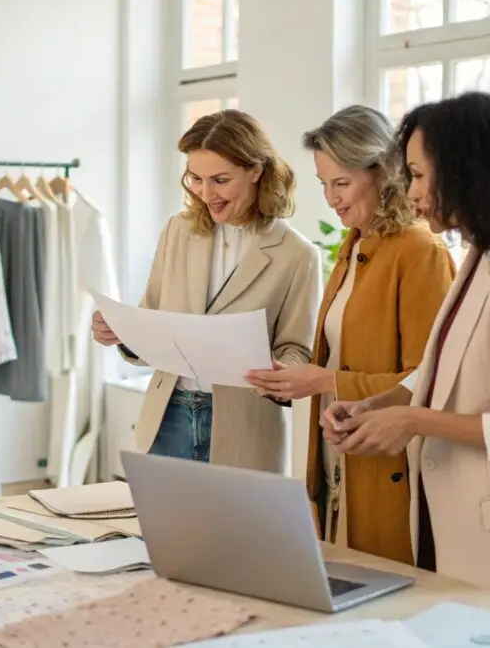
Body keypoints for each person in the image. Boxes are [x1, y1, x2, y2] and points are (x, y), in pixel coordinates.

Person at [322, 92, 490, 610]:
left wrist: (416, 421)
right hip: (455, 537)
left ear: (467, 171)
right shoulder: (482, 255)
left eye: (419, 175)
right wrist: (374, 407)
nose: (409, 189)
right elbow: (438, 370)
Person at [245, 105, 454, 564]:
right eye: (323, 184)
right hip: (337, 460)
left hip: (387, 465)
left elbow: (430, 380)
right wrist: (295, 377)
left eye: (341, 183)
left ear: (384, 173)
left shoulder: (420, 251)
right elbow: (338, 355)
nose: (331, 198)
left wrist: (323, 382)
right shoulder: (354, 244)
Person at [92, 109, 321, 473]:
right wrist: (121, 332)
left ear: (256, 171)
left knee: (237, 531)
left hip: (244, 426)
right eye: (195, 178)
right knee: (165, 528)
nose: (205, 192)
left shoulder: (298, 255)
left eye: (220, 180)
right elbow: (150, 312)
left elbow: (298, 348)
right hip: (168, 415)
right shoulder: (177, 231)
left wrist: (281, 371)